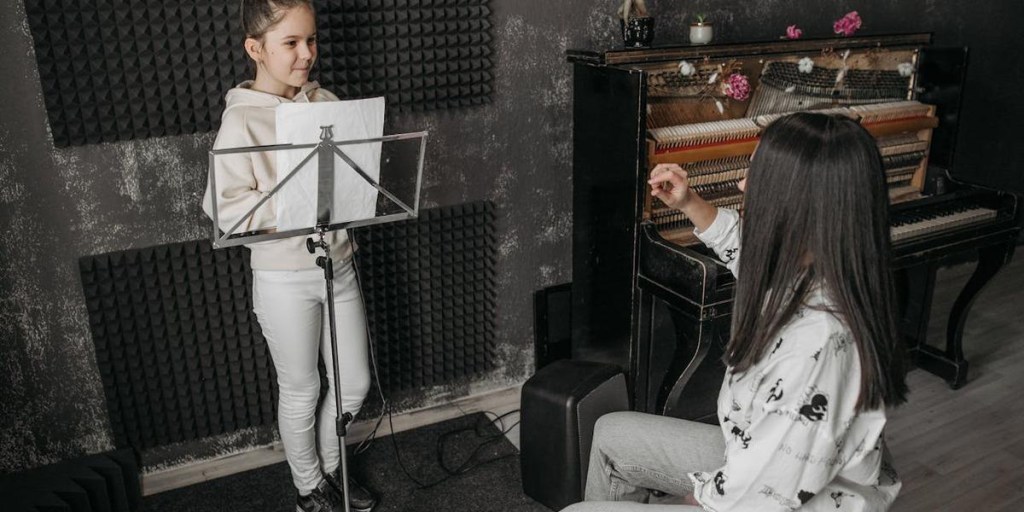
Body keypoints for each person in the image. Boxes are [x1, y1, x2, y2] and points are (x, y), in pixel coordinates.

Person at [563, 112, 908, 511]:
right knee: (611, 434)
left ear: (798, 204)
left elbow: (760, 500)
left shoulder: (816, 343)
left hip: (777, 501)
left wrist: (699, 497)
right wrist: (688, 202)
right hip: (756, 460)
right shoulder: (818, 265)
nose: (742, 184)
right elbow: (745, 251)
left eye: (757, 175)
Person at [201, 1, 377, 511]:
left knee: (354, 383)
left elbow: (348, 183)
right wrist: (291, 204)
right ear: (255, 49)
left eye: (311, 40)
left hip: (338, 265)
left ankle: (329, 467)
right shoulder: (241, 122)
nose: (307, 55)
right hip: (283, 278)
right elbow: (226, 210)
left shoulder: (327, 101)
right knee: (302, 389)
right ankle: (309, 489)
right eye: (291, 44)